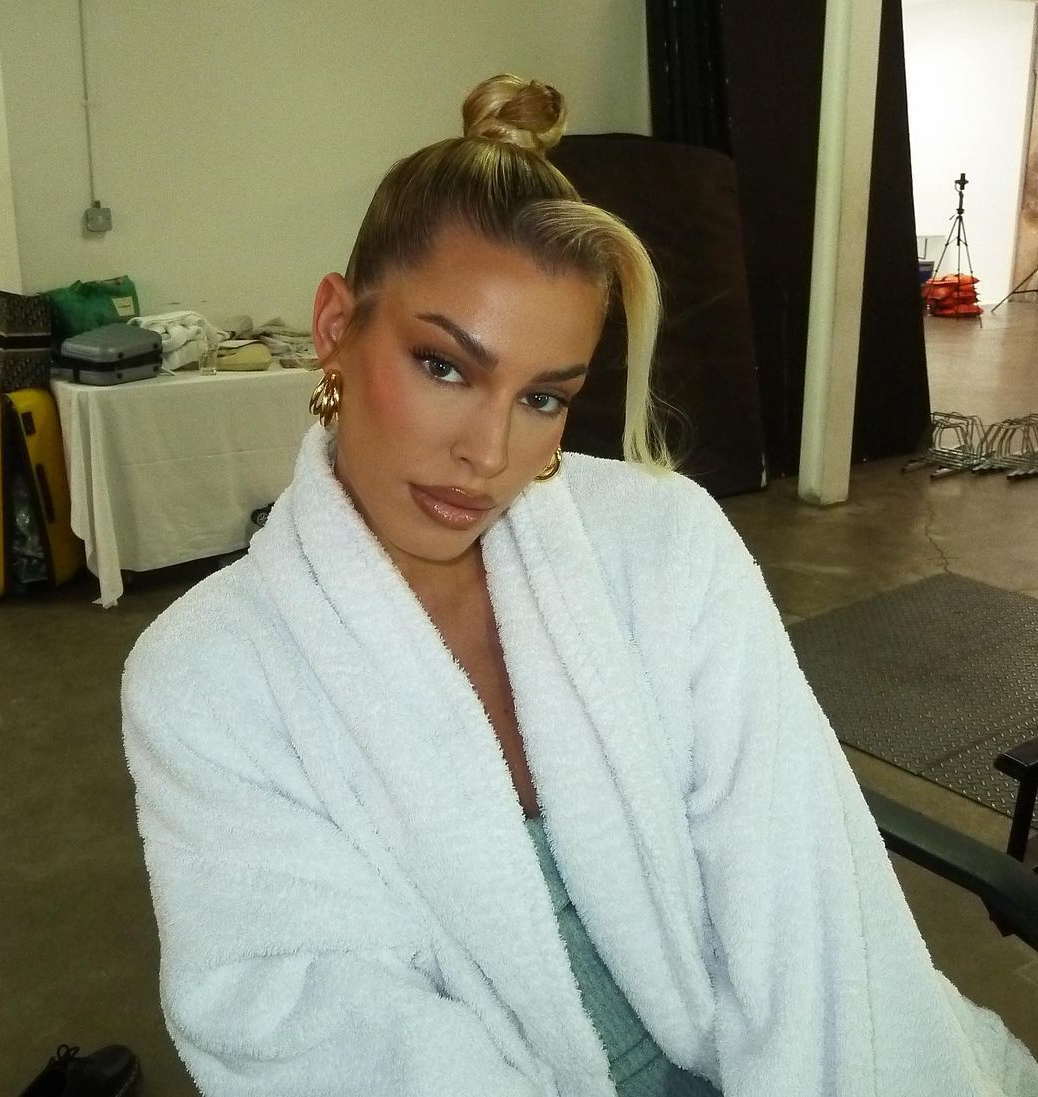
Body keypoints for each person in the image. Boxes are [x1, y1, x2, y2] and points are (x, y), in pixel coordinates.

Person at [121, 75, 1038, 1097]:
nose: (487, 453)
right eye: (444, 366)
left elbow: (804, 903)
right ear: (336, 324)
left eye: (543, 397)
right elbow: (315, 1021)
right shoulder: (207, 676)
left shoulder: (663, 545)